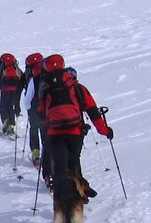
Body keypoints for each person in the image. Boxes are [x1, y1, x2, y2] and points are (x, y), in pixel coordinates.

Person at [38, 54, 113, 199]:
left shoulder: (46, 89)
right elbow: (93, 111)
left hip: (55, 134)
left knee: (59, 167)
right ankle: (77, 200)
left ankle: (61, 207)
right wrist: (105, 131)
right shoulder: (77, 87)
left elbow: (41, 116)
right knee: (73, 163)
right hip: (75, 132)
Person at [21, 52, 49, 170]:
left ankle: (36, 154)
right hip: (46, 109)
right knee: (45, 130)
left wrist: (28, 108)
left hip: (33, 108)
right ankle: (47, 153)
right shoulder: (47, 76)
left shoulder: (33, 79)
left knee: (34, 129)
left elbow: (27, 99)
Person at [0, 53, 23, 135]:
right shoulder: (16, 68)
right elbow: (22, 76)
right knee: (10, 106)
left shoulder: (0, 68)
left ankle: (7, 123)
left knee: (3, 107)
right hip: (16, 89)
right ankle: (12, 125)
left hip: (5, 89)